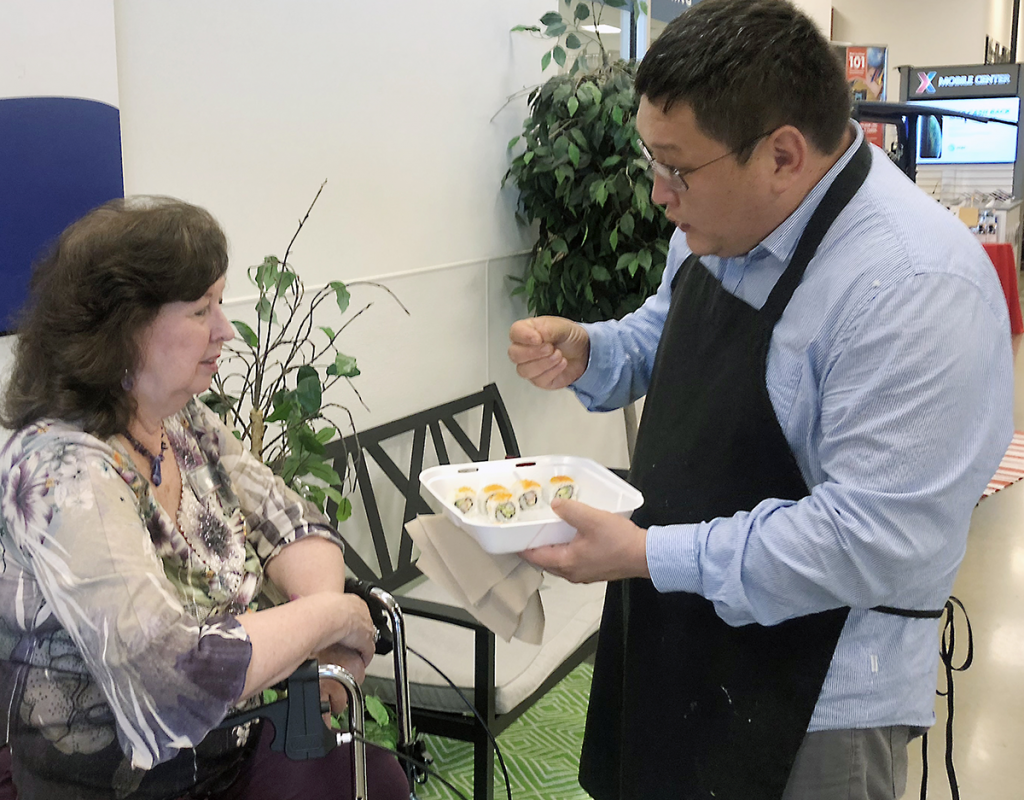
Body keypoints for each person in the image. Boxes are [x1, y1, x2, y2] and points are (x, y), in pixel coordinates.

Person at [507, 1, 1015, 798]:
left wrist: (646, 553)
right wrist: (593, 350)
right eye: (652, 160)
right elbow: (663, 329)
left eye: (677, 169)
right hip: (675, 637)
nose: (656, 195)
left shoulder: (914, 289)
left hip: (815, 699)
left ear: (781, 154)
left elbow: (868, 539)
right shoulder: (713, 223)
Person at [0, 197, 408, 800]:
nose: (224, 330)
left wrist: (321, 642)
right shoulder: (59, 470)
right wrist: (333, 616)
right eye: (199, 310)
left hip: (220, 750)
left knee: (374, 780)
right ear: (123, 330)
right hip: (116, 781)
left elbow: (293, 522)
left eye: (219, 303)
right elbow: (168, 676)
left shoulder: (178, 421)